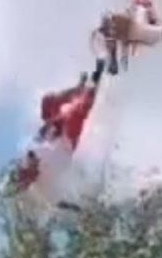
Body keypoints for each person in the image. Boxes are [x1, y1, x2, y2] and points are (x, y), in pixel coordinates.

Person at [12, 61, 105, 211]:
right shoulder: (44, 190)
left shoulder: (28, 154)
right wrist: (78, 209)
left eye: (29, 168)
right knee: (76, 111)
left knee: (48, 100)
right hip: (67, 142)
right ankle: (96, 79)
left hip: (55, 132)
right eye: (32, 174)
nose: (34, 167)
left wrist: (46, 127)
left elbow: (34, 144)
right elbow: (58, 203)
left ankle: (78, 88)